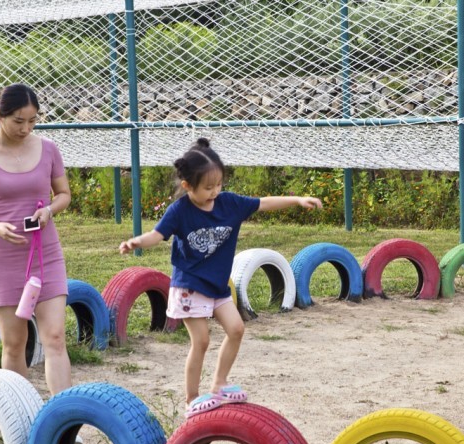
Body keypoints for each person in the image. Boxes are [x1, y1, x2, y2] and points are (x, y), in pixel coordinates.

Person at [119, 138, 322, 418]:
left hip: (216, 286)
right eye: (208, 187)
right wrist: (136, 242)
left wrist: (297, 200)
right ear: (188, 186)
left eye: (219, 184)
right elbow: (157, 235)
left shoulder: (228, 204)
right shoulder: (180, 211)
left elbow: (263, 203)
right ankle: (191, 399)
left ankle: (219, 383)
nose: (215, 191)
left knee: (236, 329)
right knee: (200, 341)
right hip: (189, 285)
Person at [0, 83, 74, 401]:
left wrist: (49, 210)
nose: (26, 128)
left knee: (54, 336)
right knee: (14, 343)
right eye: (18, 121)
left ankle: (62, 422)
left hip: (46, 255)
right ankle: (20, 417)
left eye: (33, 121)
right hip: (4, 259)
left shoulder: (49, 149)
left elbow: (64, 194)